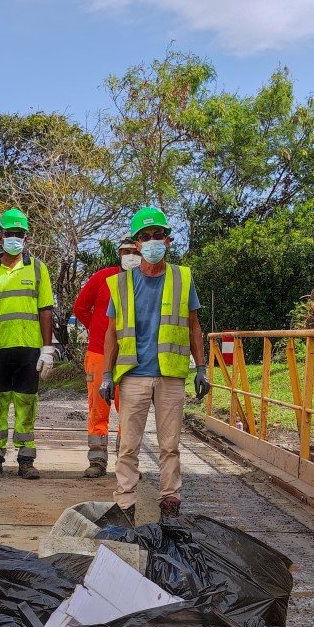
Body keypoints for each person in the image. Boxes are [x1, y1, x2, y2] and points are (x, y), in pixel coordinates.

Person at [98, 206, 210, 520]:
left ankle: (170, 505)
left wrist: (201, 368)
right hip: (134, 374)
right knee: (128, 446)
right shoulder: (121, 284)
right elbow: (111, 333)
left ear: (167, 240)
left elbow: (194, 326)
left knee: (170, 445)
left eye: (157, 235)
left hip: (171, 375)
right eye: (144, 237)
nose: (151, 242)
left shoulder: (182, 277)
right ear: (136, 244)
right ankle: (124, 507)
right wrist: (107, 374)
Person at [0, 208, 55, 480]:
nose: (15, 238)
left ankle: (26, 458)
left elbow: (45, 309)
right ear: (1, 235)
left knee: (27, 403)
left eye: (19, 234)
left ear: (26, 237)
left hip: (28, 348)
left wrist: (47, 349)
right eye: (10, 233)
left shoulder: (37, 268)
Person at [72, 237, 140, 478]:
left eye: (134, 251)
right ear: (119, 254)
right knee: (98, 407)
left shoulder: (144, 281)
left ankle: (127, 462)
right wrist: (97, 329)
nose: (130, 255)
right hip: (99, 353)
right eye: (126, 251)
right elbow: (80, 307)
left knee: (130, 410)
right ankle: (97, 459)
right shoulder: (103, 278)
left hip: (131, 355)